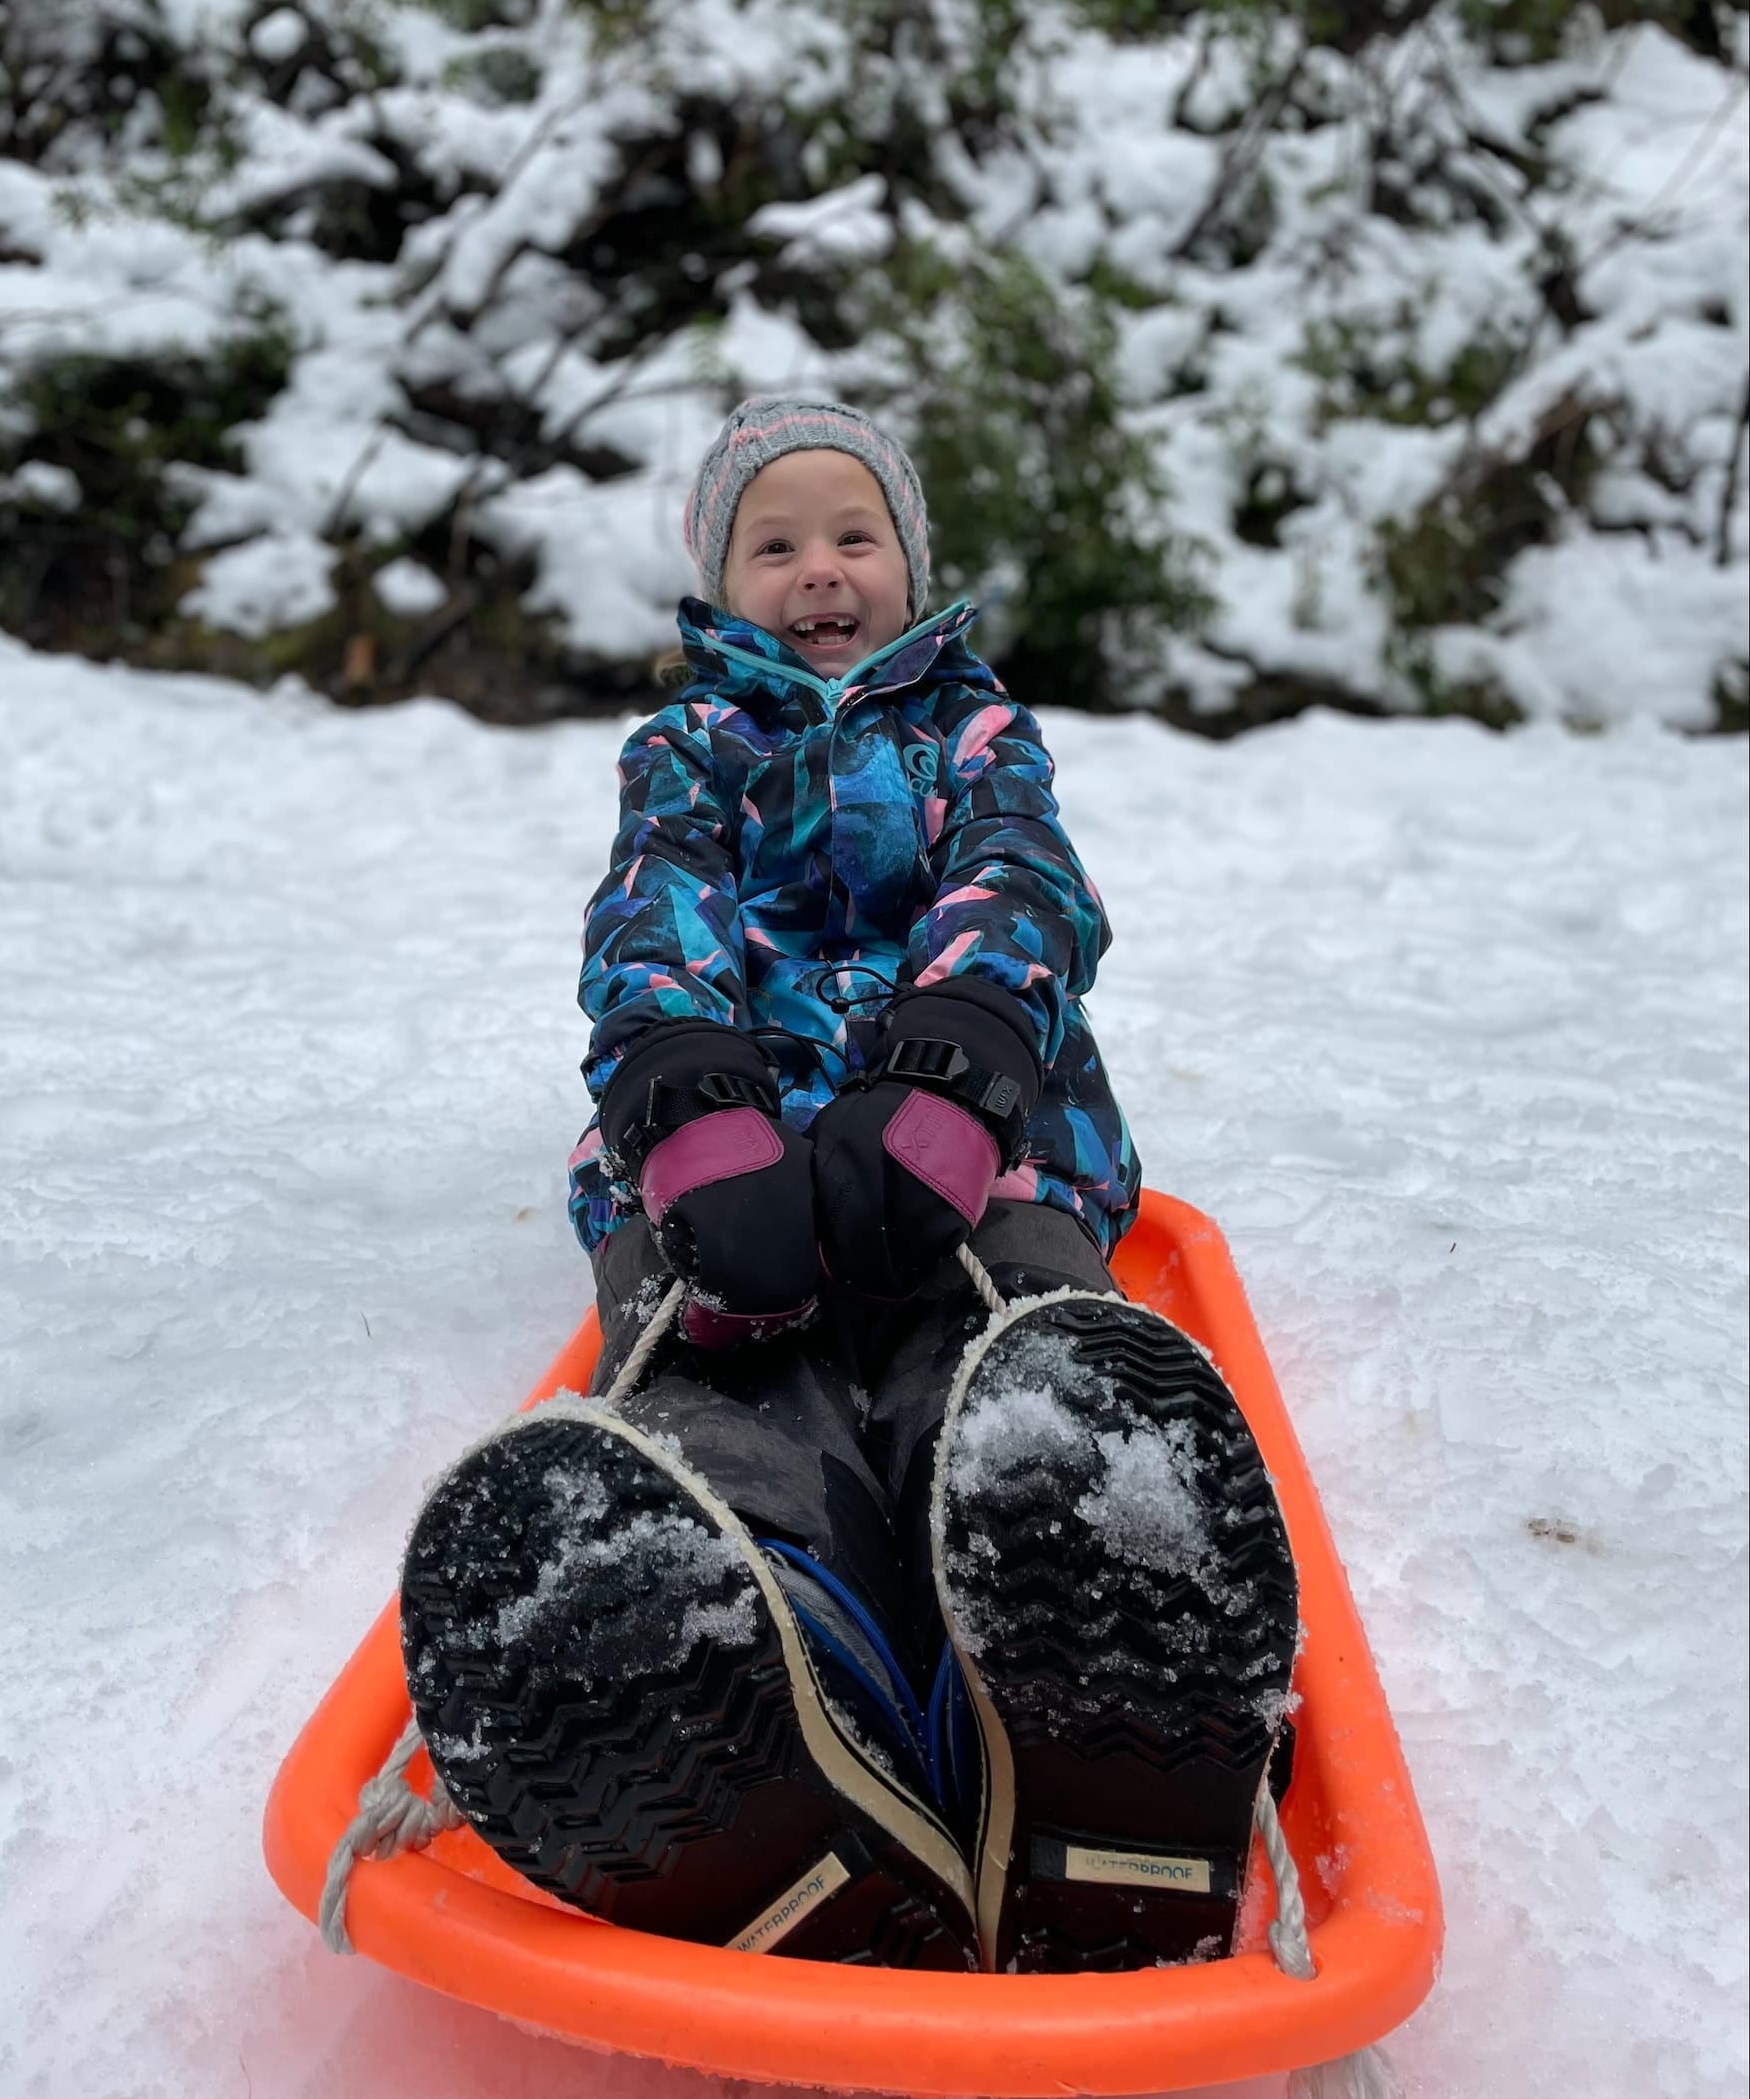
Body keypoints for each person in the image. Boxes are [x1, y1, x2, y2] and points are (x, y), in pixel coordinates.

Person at [400, 397, 1298, 1975]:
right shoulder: (684, 748)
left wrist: (952, 1069)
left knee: (1002, 1355)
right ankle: (752, 1659)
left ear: (909, 560)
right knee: (737, 1380)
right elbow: (648, 920)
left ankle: (1069, 1631)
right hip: (733, 1168)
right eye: (776, 543)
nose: (821, 569)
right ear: (720, 581)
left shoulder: (977, 730)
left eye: (855, 535)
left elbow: (1026, 887)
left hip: (973, 1152)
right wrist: (689, 1115)